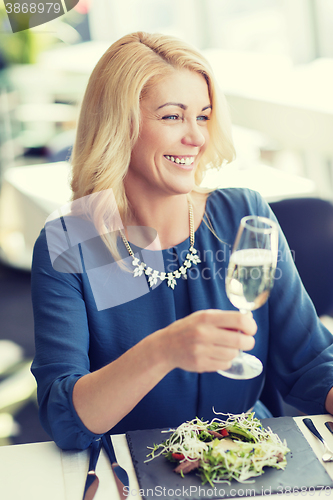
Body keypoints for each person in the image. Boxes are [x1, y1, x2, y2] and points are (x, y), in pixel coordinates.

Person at [31, 31, 333, 451]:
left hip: (248, 458)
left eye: (204, 116)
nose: (196, 137)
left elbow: (311, 361)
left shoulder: (242, 215)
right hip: (135, 470)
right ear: (120, 125)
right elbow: (66, 418)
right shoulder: (78, 241)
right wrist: (162, 351)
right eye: (173, 117)